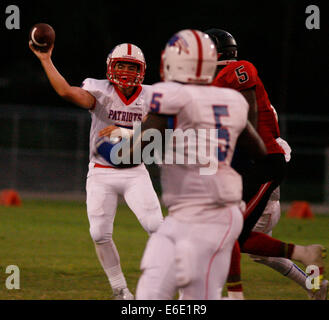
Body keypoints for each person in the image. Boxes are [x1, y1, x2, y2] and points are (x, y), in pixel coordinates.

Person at [95, 29, 268, 299]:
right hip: (204, 214)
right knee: (158, 294)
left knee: (186, 296)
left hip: (204, 216)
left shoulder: (168, 96)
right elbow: (257, 149)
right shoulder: (232, 100)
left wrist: (106, 149)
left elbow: (130, 156)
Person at [29, 40, 163, 300]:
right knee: (99, 233)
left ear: (142, 70)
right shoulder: (100, 91)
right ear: (110, 67)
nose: (125, 72)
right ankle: (120, 290)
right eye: (121, 65)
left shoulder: (150, 97)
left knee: (158, 228)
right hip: (101, 171)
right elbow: (66, 92)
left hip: (135, 171)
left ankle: (187, 284)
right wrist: (46, 60)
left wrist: (125, 132)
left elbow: (156, 135)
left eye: (131, 66)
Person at [205, 28, 327, 300]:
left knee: (226, 236)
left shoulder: (238, 70)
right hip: (256, 174)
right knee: (255, 249)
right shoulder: (215, 87)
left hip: (263, 173)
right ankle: (315, 280)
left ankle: (230, 295)